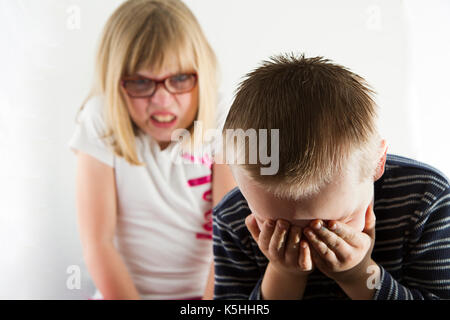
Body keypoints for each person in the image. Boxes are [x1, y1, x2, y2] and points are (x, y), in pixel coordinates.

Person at [212, 54, 450, 300]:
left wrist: (360, 275)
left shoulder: (424, 199)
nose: (308, 244)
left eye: (334, 225)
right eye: (276, 226)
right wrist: (283, 275)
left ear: (377, 163)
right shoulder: (232, 218)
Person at [68, 0, 235, 300]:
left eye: (180, 79)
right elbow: (98, 244)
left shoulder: (222, 117)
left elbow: (228, 240)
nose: (162, 100)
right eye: (142, 82)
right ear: (116, 82)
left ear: (202, 73)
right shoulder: (99, 120)